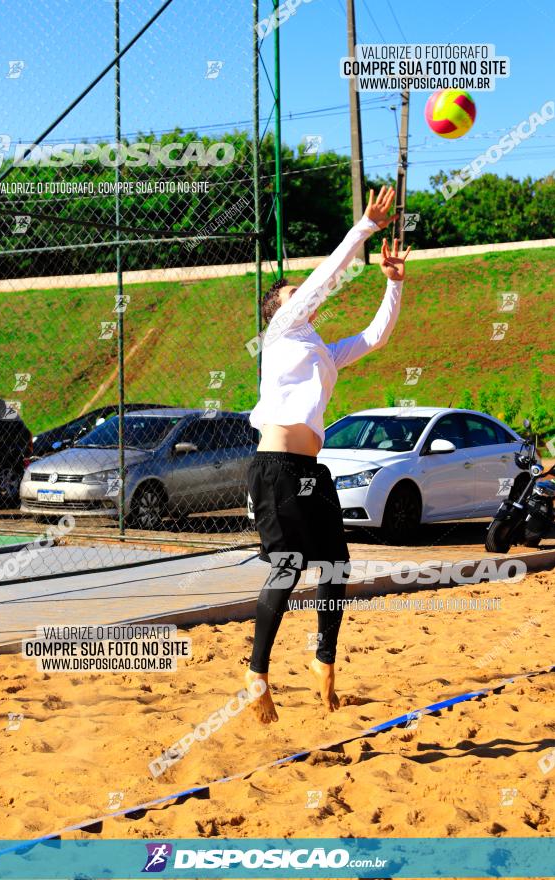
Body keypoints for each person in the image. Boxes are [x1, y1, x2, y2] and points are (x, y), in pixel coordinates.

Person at [245, 186, 411, 723]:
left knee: (336, 565)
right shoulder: (281, 330)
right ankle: (257, 673)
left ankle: (323, 659)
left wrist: (393, 284)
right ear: (280, 308)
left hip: (310, 471)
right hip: (274, 468)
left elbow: (377, 336)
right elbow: (323, 281)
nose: (308, 300)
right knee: (287, 567)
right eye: (295, 295)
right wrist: (363, 228)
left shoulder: (322, 352)